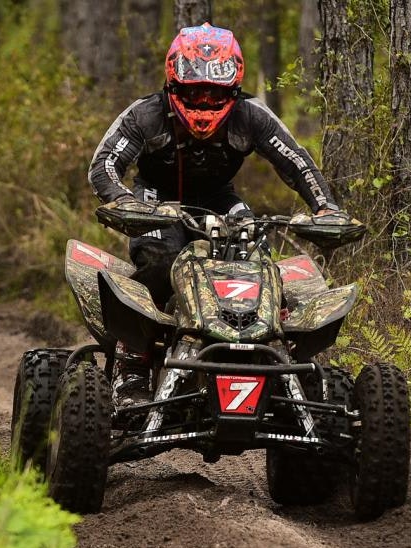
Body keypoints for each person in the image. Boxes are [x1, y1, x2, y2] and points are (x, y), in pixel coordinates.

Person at [88, 22, 343, 402]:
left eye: (215, 93)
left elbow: (297, 163)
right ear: (175, 86)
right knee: (160, 262)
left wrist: (325, 207)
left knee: (260, 260)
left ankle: (281, 358)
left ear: (233, 90)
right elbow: (104, 165)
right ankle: (133, 365)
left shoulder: (252, 115)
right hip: (155, 199)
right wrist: (125, 201)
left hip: (219, 198)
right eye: (195, 92)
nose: (205, 102)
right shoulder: (146, 114)